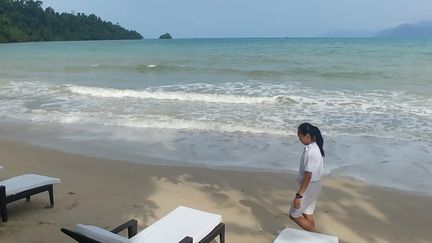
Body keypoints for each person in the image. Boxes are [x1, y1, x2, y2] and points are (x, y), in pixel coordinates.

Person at [289, 122, 324, 232]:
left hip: (309, 187)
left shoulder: (311, 152)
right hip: (314, 186)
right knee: (307, 213)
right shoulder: (314, 147)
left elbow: (308, 175)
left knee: (293, 215)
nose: (299, 139)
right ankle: (314, 238)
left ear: (307, 135)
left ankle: (319, 237)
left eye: (300, 136)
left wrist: (299, 196)